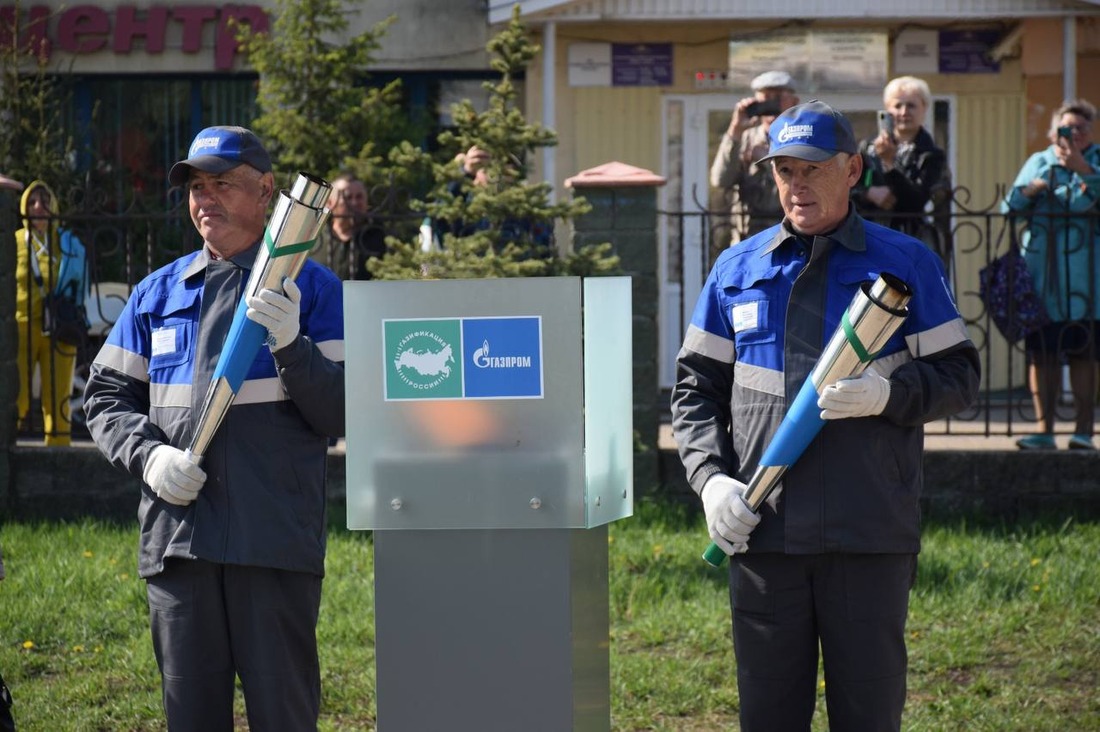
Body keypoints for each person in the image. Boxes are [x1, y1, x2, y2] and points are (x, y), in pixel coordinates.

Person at [671, 101, 980, 731]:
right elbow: (695, 390)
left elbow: (959, 377)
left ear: (854, 171)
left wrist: (886, 394)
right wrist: (711, 481)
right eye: (785, 170)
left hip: (866, 534)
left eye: (813, 168)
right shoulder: (738, 269)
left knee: (868, 715)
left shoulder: (905, 265)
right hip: (765, 535)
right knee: (768, 716)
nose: (797, 184)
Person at [83, 125, 346, 730]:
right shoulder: (157, 293)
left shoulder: (315, 290)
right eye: (197, 187)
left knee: (284, 715)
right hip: (179, 543)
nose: (206, 200)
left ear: (267, 192)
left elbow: (338, 413)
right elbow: (105, 396)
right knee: (190, 717)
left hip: (272, 543)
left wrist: (293, 347)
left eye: (223, 183)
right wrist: (148, 457)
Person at [1003, 99, 1100, 451]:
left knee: (1084, 353)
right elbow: (1009, 207)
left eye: (1081, 129)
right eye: (1066, 128)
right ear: (1053, 131)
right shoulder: (1039, 161)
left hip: (1087, 277)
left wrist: (1083, 169)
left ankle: (1084, 431)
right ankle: (1044, 429)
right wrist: (1033, 189)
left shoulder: (1097, 161)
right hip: (1042, 274)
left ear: (1091, 133)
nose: (1073, 135)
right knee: (1042, 353)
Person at [15, 180, 88, 446]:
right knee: (16, 395)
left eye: (44, 201)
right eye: (32, 202)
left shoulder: (67, 243)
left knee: (57, 399)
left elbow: (80, 283)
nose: (38, 207)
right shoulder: (15, 243)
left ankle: (59, 453)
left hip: (60, 325)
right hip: (22, 327)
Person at [852, 76, 952, 265]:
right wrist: (868, 193)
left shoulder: (931, 155)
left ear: (924, 108)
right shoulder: (867, 148)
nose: (904, 112)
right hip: (870, 237)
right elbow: (848, 189)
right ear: (887, 109)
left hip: (911, 239)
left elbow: (916, 202)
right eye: (898, 106)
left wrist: (889, 165)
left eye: (911, 105)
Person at [709, 70, 800, 243]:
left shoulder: (802, 140)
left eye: (778, 97)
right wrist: (735, 130)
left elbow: (800, 187)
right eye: (766, 97)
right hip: (748, 240)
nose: (771, 104)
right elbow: (720, 179)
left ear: (794, 102)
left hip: (790, 239)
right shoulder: (745, 138)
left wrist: (768, 160)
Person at [432, 144, 553, 249]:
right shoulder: (465, 202)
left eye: (507, 166)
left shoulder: (527, 209)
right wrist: (463, 174)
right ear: (477, 174)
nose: (499, 175)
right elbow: (441, 221)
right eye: (491, 167)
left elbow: (542, 250)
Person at [309, 173, 386, 280]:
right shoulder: (316, 237)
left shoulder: (379, 235)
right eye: (347, 197)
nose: (354, 203)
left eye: (359, 197)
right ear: (329, 203)